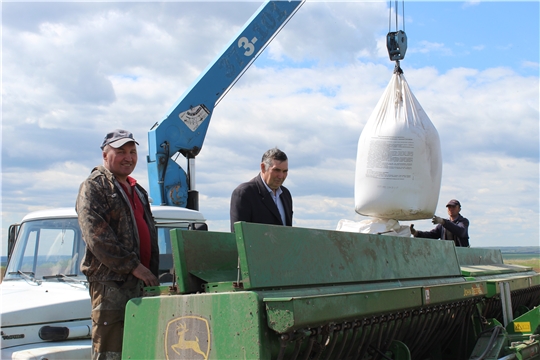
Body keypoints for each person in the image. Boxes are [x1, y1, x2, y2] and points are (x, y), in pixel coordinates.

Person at [76, 129, 160, 359]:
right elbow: (97, 238)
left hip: (142, 284)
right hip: (111, 285)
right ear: (105, 155)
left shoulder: (138, 190)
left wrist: (149, 273)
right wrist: (134, 266)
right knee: (110, 352)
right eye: (120, 151)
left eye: (132, 152)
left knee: (140, 349)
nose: (129, 157)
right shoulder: (95, 186)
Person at [230, 147, 293, 231]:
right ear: (263, 167)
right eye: (276, 170)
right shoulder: (244, 193)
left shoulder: (286, 194)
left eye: (285, 171)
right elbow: (238, 236)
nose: (281, 176)